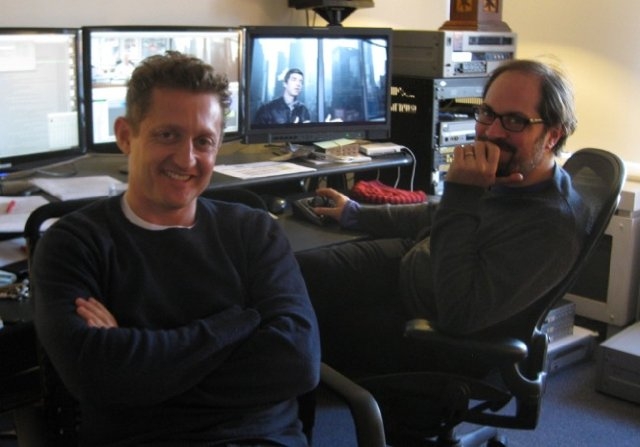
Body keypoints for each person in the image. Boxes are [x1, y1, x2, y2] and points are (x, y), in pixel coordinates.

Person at [32, 51, 320, 446]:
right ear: (125, 136)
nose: (187, 159)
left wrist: (140, 366)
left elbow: (297, 362)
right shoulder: (73, 244)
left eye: (203, 141)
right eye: (167, 135)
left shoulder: (253, 231)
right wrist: (236, 324)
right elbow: (95, 377)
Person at [295, 59, 589, 375]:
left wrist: (462, 192)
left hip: (429, 331)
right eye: (488, 113)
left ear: (552, 136)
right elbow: (440, 215)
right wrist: (355, 214)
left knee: (300, 327)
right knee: (296, 270)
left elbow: (458, 314)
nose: (492, 132)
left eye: (515, 120)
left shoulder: (552, 226)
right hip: (414, 267)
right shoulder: (513, 176)